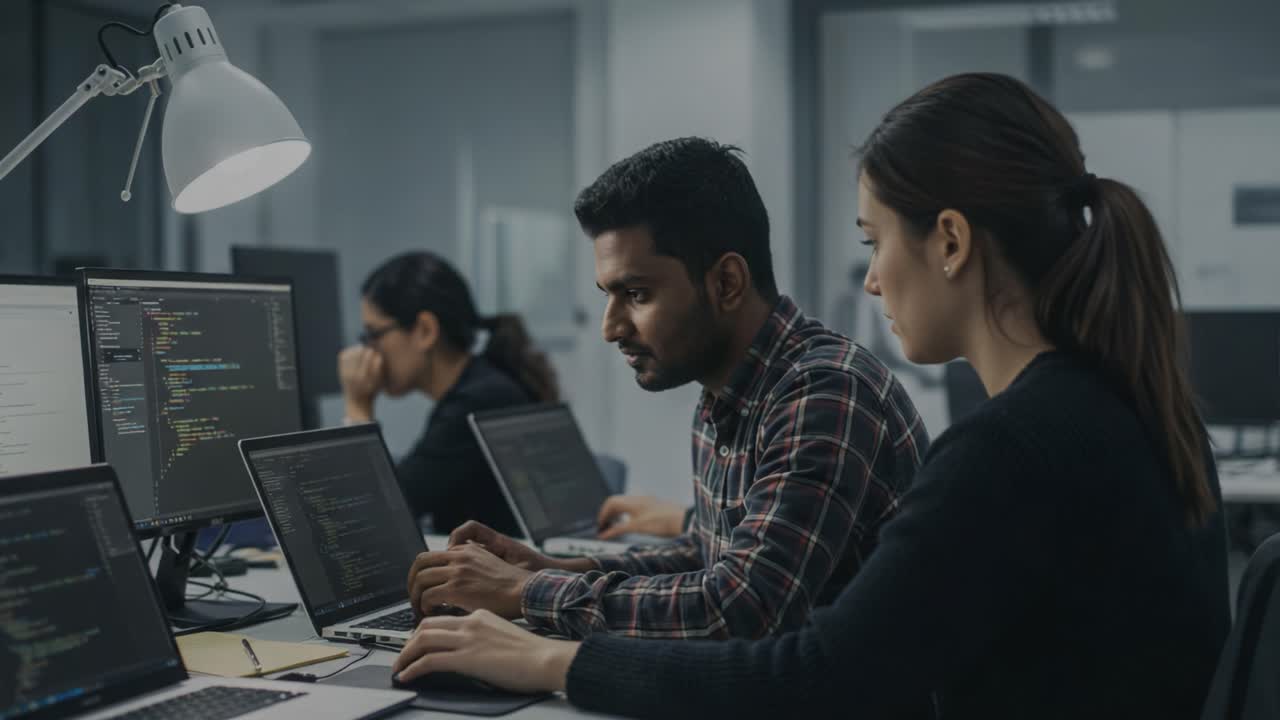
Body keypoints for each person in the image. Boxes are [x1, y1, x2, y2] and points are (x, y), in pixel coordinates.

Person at [391, 74, 1232, 718]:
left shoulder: (1008, 448)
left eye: (874, 242)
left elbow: (814, 669)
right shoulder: (1109, 404)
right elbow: (739, 576)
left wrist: (548, 655)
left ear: (949, 242)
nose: (871, 280)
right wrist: (555, 575)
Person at [404, 137, 929, 642]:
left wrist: (525, 592)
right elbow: (708, 554)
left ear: (726, 283)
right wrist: (552, 569)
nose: (610, 328)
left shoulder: (824, 392)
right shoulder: (726, 392)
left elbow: (740, 608)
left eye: (636, 294)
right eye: (608, 296)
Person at [339, 251, 558, 535]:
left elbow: (379, 515)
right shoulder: (485, 385)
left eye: (373, 334)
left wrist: (357, 407)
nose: (368, 350)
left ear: (425, 331)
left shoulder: (476, 403)